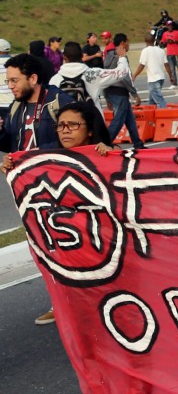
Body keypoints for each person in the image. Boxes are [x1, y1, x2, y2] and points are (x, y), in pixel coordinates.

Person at [2, 100, 115, 326]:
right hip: (66, 233)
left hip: (103, 234)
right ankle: (64, 306)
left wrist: (112, 157)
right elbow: (22, 165)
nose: (65, 130)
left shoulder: (104, 153)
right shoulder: (46, 154)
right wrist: (10, 164)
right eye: (61, 125)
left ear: (90, 129)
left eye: (73, 125)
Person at [0, 53, 71, 154]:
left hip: (52, 168)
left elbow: (76, 140)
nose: (10, 86)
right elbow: (9, 146)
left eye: (14, 80)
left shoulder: (60, 103)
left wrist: (41, 152)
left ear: (33, 79)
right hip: (22, 169)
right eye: (8, 81)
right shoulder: (15, 106)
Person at [50, 41, 134, 110]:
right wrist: (122, 57)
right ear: (82, 55)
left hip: (66, 127)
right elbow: (121, 72)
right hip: (91, 125)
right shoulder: (94, 74)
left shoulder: (54, 80)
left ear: (64, 57)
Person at [103, 33, 145, 149]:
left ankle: (137, 143)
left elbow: (104, 76)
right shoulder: (121, 57)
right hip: (120, 92)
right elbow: (125, 77)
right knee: (119, 120)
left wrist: (106, 96)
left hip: (111, 91)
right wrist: (134, 94)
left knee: (129, 119)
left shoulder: (107, 56)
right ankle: (105, 142)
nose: (128, 45)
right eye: (127, 42)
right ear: (122, 43)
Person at [132, 34, 173, 108]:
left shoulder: (145, 51)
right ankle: (151, 117)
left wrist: (134, 75)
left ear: (145, 42)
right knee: (152, 101)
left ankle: (164, 112)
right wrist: (171, 76)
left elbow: (142, 65)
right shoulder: (161, 50)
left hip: (153, 79)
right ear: (154, 41)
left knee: (159, 100)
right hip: (161, 78)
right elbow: (166, 64)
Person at [161, 21, 178, 88]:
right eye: (168, 25)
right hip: (169, 53)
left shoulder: (177, 33)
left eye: (171, 25)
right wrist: (167, 41)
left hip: (177, 53)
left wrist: (174, 41)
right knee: (172, 69)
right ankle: (174, 83)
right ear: (167, 26)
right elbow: (162, 44)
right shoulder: (165, 34)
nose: (170, 27)